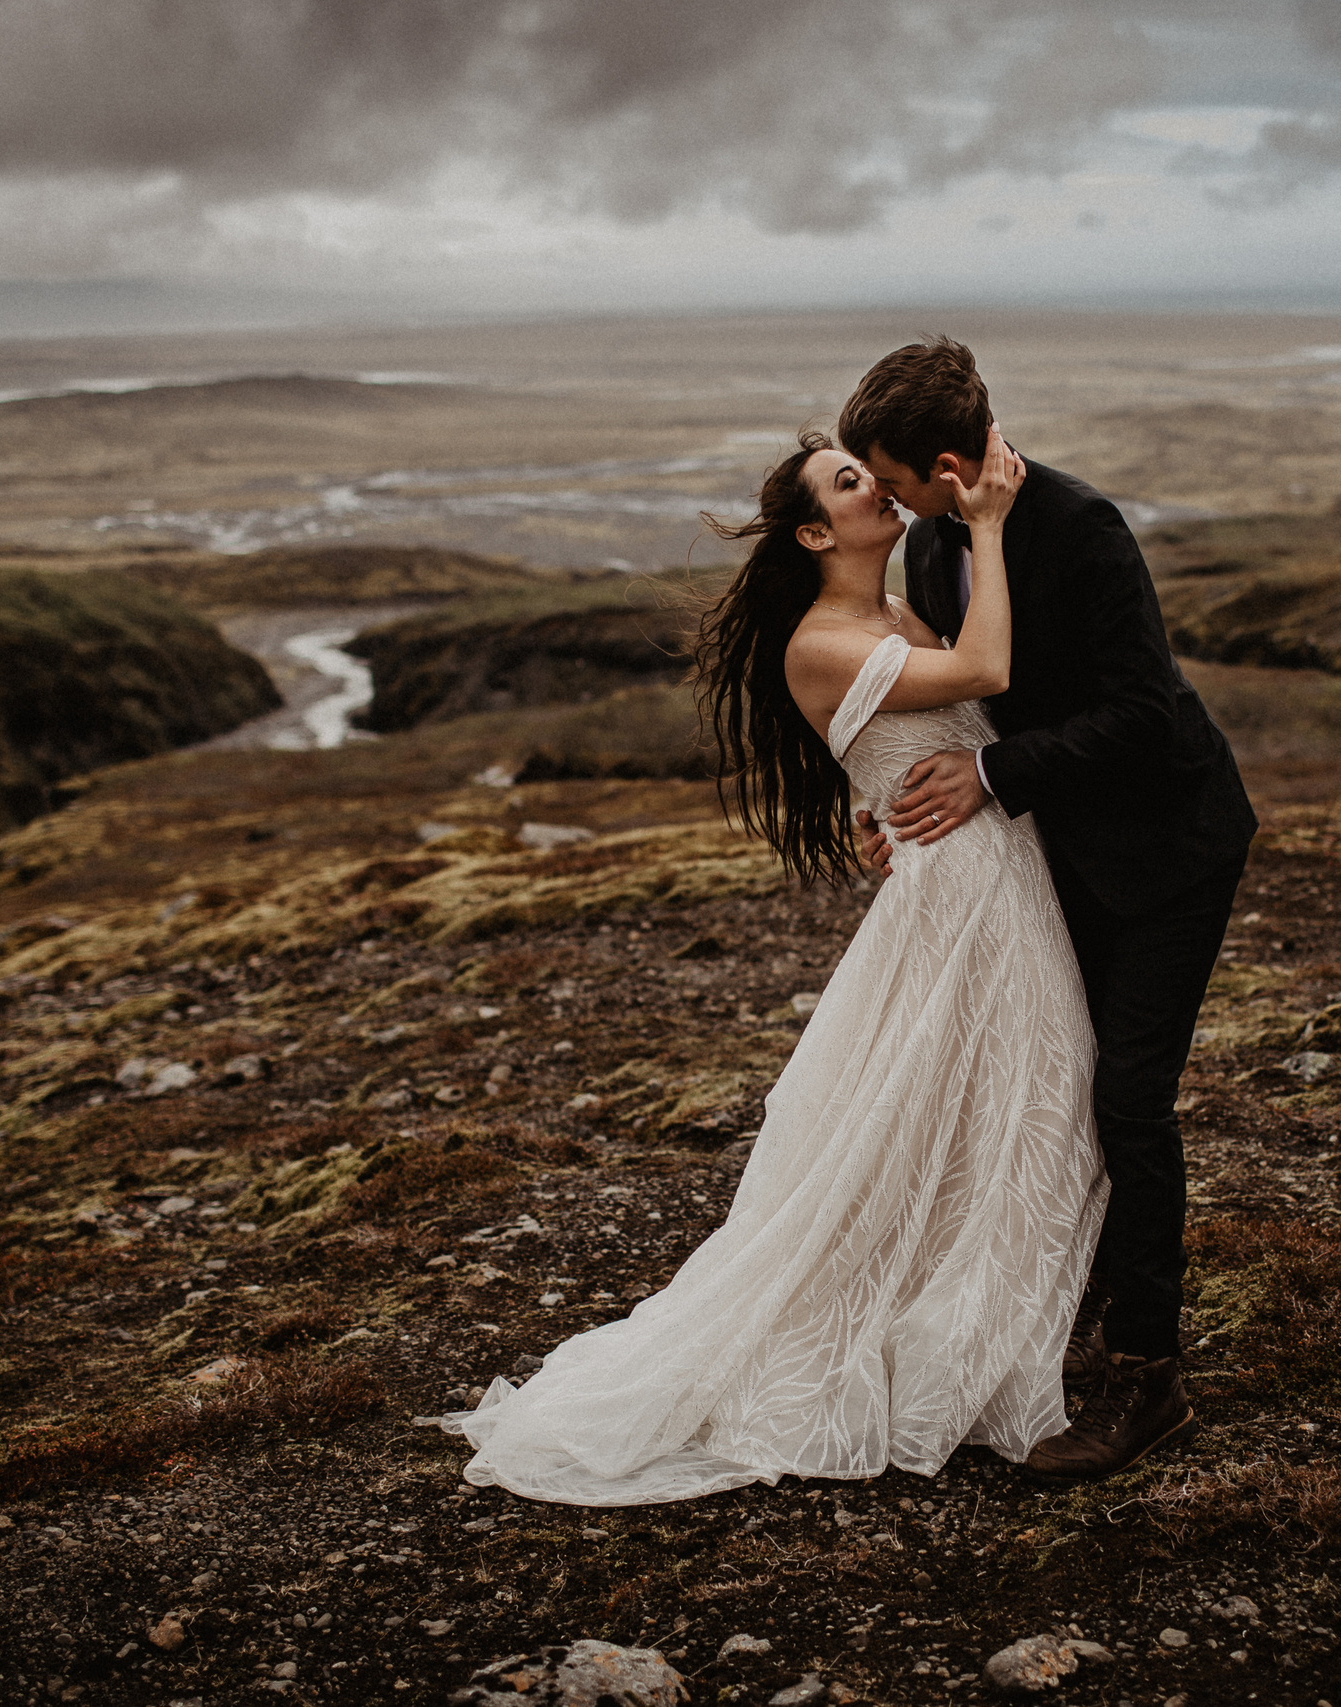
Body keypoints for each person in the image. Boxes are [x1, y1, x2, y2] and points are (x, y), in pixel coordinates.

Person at [442, 420, 1113, 1504]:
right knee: (1009, 1099)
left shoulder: (895, 608)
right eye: (849, 482)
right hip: (966, 896)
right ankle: (954, 1347)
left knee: (1012, 1103)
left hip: (989, 878)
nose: (872, 488)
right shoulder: (820, 639)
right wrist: (986, 522)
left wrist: (871, 808)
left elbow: (920, 736)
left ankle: (987, 1329)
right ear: (812, 530)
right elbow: (984, 669)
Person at [839, 336, 1257, 1480]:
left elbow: (1145, 717)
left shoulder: (1081, 529)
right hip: (1056, 855)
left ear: (939, 462)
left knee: (1127, 1101)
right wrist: (898, 804)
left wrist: (987, 781)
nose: (876, 498)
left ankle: (1147, 1378)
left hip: (1169, 850)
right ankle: (1056, 1316)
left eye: (884, 477)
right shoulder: (934, 542)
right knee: (1050, 1086)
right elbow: (962, 708)